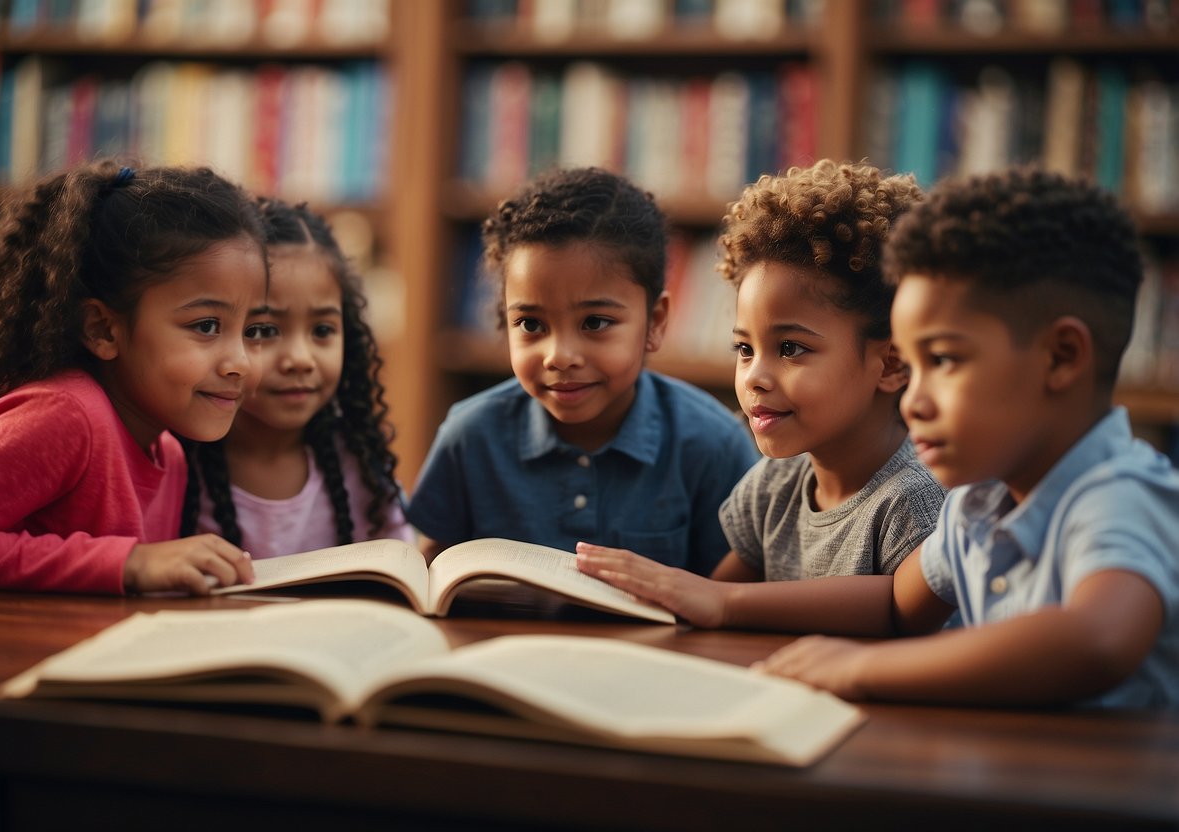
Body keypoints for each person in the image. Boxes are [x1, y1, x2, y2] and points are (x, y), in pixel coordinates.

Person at [609, 167, 1179, 709]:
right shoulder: (980, 504)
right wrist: (723, 601)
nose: (914, 397)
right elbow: (893, 601)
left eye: (944, 360)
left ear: (1061, 357)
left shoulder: (1120, 495)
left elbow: (1096, 640)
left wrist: (860, 670)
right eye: (913, 363)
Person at [575, 160, 945, 619]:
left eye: (790, 348)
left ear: (890, 364)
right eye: (744, 348)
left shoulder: (918, 497)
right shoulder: (776, 484)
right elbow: (702, 607)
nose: (753, 376)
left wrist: (721, 602)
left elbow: (897, 611)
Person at [406, 166, 759, 573]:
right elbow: (430, 577)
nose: (560, 355)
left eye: (594, 323)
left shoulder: (713, 445)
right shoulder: (469, 437)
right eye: (532, 325)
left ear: (656, 322)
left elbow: (732, 597)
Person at [0, 160, 265, 595]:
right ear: (102, 329)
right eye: (206, 326)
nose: (241, 362)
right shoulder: (67, 415)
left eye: (253, 330)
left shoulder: (168, 452)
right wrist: (130, 563)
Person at [181, 198, 410, 555]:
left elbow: (401, 566)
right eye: (265, 330)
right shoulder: (177, 464)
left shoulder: (360, 466)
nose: (300, 360)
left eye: (322, 330)